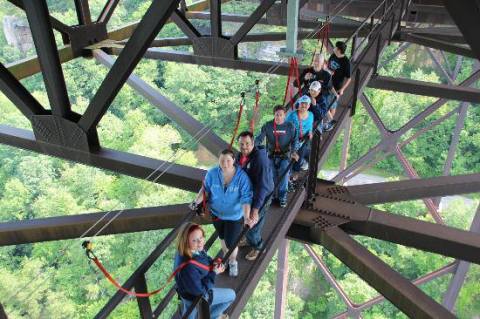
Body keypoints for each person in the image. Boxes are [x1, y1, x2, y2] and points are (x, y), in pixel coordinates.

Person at [190, 149, 253, 276]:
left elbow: (246, 198)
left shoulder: (242, 177)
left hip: (234, 216)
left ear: (234, 161)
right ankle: (226, 257)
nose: (225, 163)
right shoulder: (212, 174)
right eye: (222, 160)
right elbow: (205, 190)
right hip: (217, 214)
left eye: (228, 160)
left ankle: (233, 261)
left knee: (232, 242)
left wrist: (247, 217)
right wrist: (196, 202)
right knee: (222, 237)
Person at [174, 222, 235, 319]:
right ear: (186, 241)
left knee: (189, 312)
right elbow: (200, 292)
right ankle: (213, 316)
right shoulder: (188, 267)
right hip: (196, 296)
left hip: (185, 293)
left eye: (201, 237)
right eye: (194, 240)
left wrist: (213, 263)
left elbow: (203, 258)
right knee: (231, 295)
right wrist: (214, 272)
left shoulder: (186, 251)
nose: (200, 242)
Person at [237, 131, 274, 261]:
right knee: (244, 219)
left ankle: (258, 247)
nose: (244, 147)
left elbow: (263, 186)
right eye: (241, 144)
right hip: (250, 193)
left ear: (253, 143)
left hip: (263, 195)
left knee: (253, 224)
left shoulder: (260, 159)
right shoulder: (239, 156)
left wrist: (256, 209)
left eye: (247, 144)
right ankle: (248, 240)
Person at [255, 105, 299, 208]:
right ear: (274, 115)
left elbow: (295, 140)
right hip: (271, 155)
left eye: (281, 115)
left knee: (283, 176)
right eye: (276, 115)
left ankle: (282, 196)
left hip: (285, 156)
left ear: (284, 115)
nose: (278, 117)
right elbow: (259, 138)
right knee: (271, 177)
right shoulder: (268, 126)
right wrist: (252, 146)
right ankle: (271, 196)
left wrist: (294, 151)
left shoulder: (290, 127)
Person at [326, 41, 352, 131]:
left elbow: (349, 78)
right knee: (325, 102)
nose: (333, 48)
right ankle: (330, 120)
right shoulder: (333, 55)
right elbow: (329, 65)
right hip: (327, 82)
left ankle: (330, 123)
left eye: (335, 47)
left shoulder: (346, 62)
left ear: (339, 50)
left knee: (332, 105)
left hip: (336, 87)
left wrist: (342, 89)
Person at [286, 95, 314, 172]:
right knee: (294, 159)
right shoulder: (292, 115)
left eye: (306, 104)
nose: (304, 106)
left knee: (310, 156)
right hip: (293, 141)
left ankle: (301, 164)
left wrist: (310, 132)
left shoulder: (311, 115)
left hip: (304, 140)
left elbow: (310, 124)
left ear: (309, 105)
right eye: (302, 103)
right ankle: (292, 176)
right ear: (299, 104)